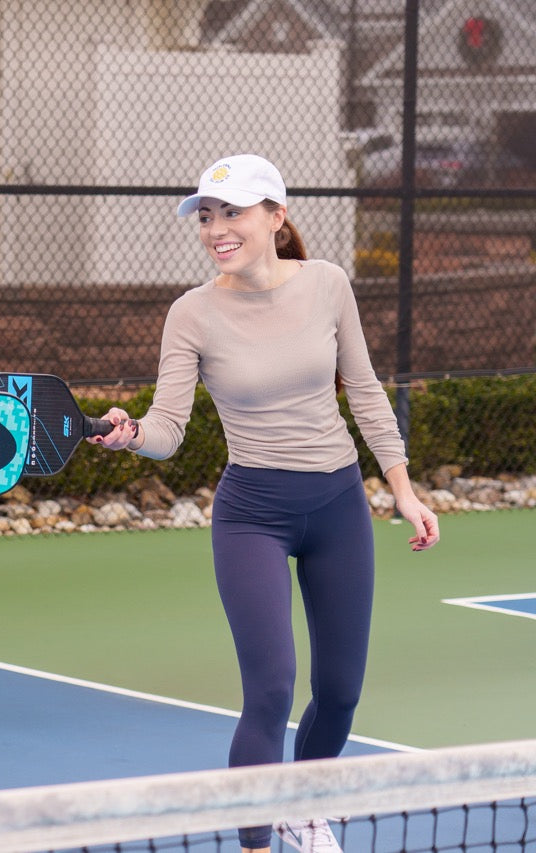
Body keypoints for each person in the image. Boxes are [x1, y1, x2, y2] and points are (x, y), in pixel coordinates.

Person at [87, 154, 439, 853]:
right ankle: (255, 843)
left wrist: (401, 489)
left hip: (338, 504)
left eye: (233, 212)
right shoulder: (190, 314)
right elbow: (168, 430)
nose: (216, 227)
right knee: (272, 689)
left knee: (340, 691)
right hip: (252, 512)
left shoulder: (329, 285)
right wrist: (131, 436)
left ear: (276, 217)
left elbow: (365, 390)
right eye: (207, 215)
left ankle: (301, 805)